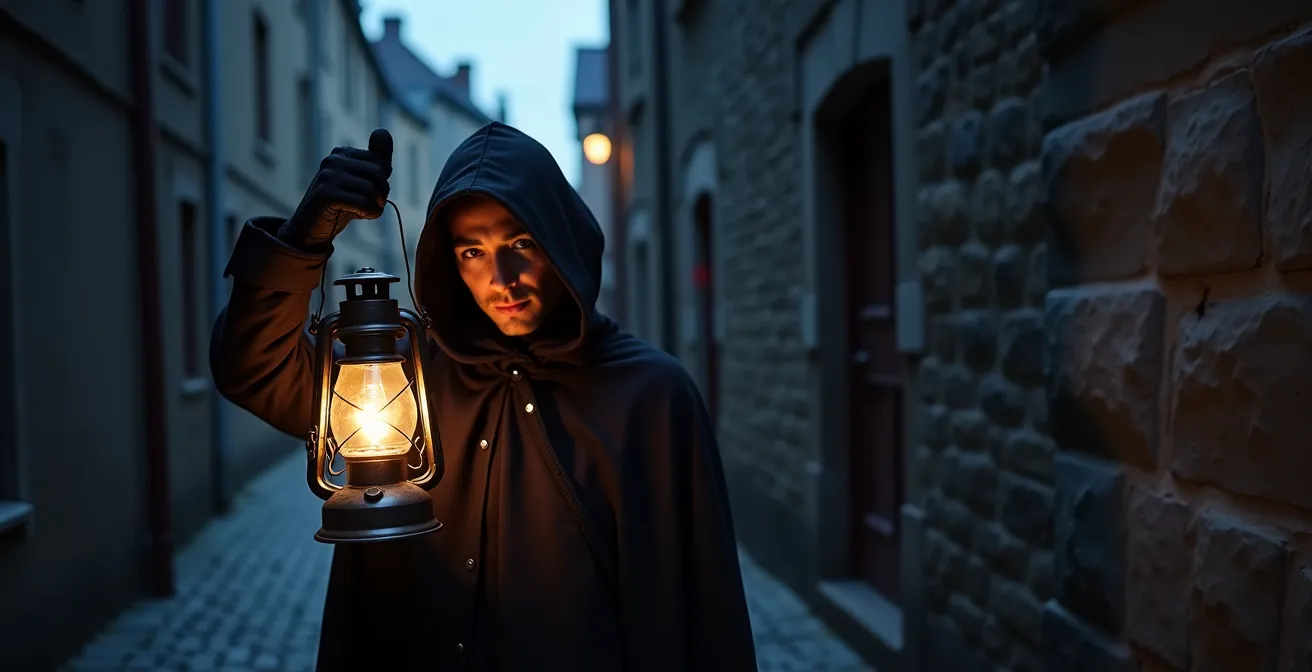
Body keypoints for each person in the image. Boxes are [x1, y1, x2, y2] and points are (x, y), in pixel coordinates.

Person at [210, 123, 758, 671]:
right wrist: (303, 241)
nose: (503, 279)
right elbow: (253, 370)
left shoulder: (652, 397)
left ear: (559, 236)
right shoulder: (400, 378)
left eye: (521, 243)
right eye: (473, 251)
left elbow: (709, 616)